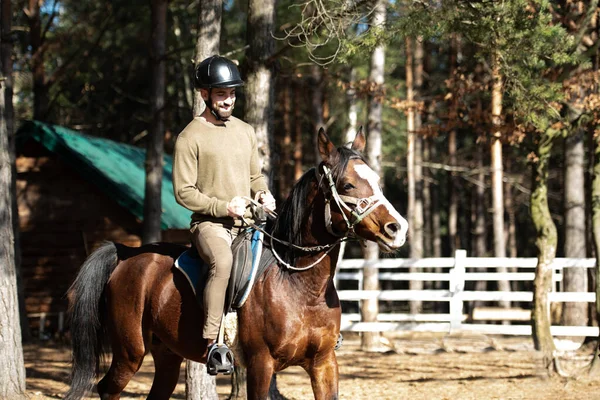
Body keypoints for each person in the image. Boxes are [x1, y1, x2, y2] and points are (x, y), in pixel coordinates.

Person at [172, 55, 276, 372]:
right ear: (204, 94)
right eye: (221, 93)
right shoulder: (189, 137)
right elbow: (183, 192)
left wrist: (263, 192)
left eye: (232, 93)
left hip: (248, 222)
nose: (228, 99)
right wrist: (223, 207)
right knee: (224, 261)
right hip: (210, 225)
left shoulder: (245, 131)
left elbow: (255, 176)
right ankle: (213, 343)